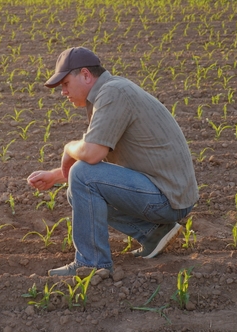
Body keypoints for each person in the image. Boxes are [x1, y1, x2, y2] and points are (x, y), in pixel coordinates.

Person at [27, 47, 199, 276]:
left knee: (81, 176)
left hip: (168, 197)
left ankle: (92, 263)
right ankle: (152, 234)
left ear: (86, 75)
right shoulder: (110, 92)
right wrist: (55, 175)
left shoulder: (113, 93)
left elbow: (91, 155)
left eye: (65, 83)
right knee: (76, 188)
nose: (63, 92)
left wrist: (68, 148)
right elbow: (96, 160)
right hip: (168, 192)